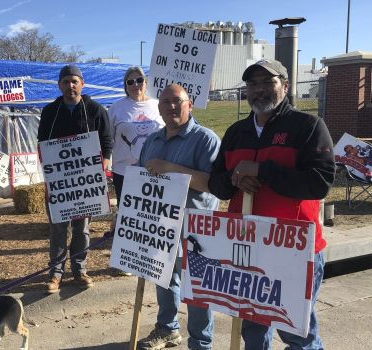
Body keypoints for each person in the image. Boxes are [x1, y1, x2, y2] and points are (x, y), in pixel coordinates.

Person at [208, 59, 335, 350]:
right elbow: (217, 184)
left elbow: (319, 182)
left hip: (294, 250)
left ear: (285, 87)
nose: (259, 90)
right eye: (253, 84)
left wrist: (262, 170)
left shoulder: (308, 126)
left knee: (296, 332)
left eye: (268, 82)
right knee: (252, 327)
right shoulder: (236, 132)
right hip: (248, 248)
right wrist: (235, 179)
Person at [137, 84, 219, 350]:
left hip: (196, 227)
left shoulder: (206, 139)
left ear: (190, 104)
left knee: (197, 289)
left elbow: (212, 184)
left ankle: (200, 343)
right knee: (163, 278)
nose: (171, 106)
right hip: (161, 226)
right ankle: (168, 329)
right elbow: (141, 180)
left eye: (177, 101)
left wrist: (169, 169)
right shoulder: (152, 140)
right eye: (165, 102)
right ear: (158, 107)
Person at [37, 65, 113, 294]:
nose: (70, 86)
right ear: (59, 85)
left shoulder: (96, 110)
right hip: (60, 183)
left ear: (82, 84)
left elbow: (107, 141)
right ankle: (55, 274)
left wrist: (105, 162)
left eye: (74, 81)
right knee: (58, 228)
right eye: (66, 82)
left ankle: (80, 270)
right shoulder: (50, 111)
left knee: (82, 229)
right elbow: (42, 142)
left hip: (86, 182)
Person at [108, 66, 164, 202]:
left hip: (155, 170)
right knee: (127, 210)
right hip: (123, 171)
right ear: (125, 86)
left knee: (151, 209)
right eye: (130, 82)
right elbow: (108, 138)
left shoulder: (159, 105)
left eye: (139, 80)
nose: (135, 84)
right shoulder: (116, 108)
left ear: (146, 82)